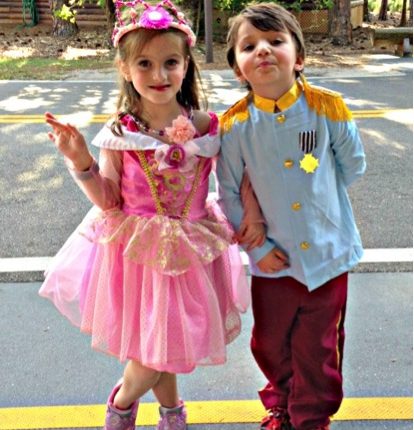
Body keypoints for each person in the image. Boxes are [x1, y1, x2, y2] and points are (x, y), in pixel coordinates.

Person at [39, 1, 255, 429]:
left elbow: (235, 180)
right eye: (145, 63)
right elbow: (108, 200)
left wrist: (250, 216)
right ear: (124, 67)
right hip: (140, 256)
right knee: (158, 348)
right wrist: (80, 160)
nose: (159, 74)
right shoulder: (122, 133)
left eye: (170, 62)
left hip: (193, 249)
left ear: (186, 65)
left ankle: (171, 414)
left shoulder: (207, 126)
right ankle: (122, 407)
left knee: (166, 343)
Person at [216, 3, 366, 430]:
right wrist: (259, 248)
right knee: (270, 342)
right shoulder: (234, 126)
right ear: (238, 68)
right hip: (272, 261)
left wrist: (316, 191)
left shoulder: (327, 109)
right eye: (249, 46)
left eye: (275, 41)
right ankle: (281, 402)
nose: (263, 50)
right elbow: (227, 193)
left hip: (327, 255)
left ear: (298, 57)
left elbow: (352, 166)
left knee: (319, 346)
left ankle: (311, 417)